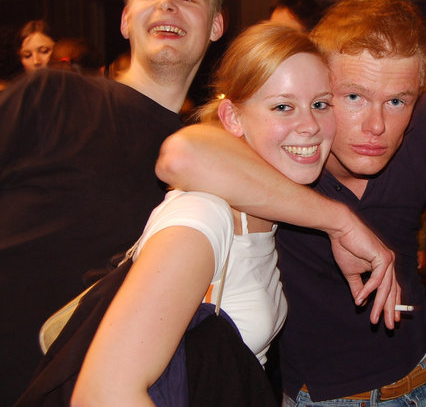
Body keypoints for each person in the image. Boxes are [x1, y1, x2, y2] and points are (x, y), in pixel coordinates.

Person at [0, 0, 393, 404]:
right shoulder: (55, 95)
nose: (167, 4)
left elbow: (192, 155)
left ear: (216, 25)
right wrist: (340, 222)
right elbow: (182, 156)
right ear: (124, 19)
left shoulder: (221, 153)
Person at [156, 0, 426, 405]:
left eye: (397, 101)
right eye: (353, 97)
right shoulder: (279, 154)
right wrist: (339, 221)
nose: (376, 125)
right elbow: (180, 155)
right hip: (320, 396)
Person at [70, 22, 334, 404]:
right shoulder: (202, 215)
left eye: (321, 104)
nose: (310, 126)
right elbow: (103, 394)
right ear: (233, 118)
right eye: (283, 106)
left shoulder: (265, 212)